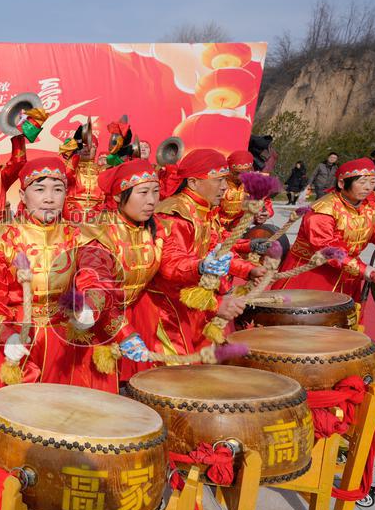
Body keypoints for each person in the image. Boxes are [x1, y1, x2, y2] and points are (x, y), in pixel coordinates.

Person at [0, 156, 116, 424]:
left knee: (65, 420)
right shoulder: (1, 238)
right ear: (23, 194)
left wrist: (91, 306)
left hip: (64, 339)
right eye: (40, 189)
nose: (49, 198)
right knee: (14, 421)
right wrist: (6, 335)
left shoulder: (80, 236)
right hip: (14, 339)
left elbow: (95, 275)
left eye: (57, 189)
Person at [142, 149, 262, 355]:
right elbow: (171, 265)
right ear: (193, 183)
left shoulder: (205, 209)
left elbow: (219, 248)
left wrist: (249, 270)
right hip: (169, 308)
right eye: (218, 180)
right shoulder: (175, 215)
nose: (224, 187)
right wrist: (201, 267)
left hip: (195, 302)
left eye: (225, 180)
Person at [275, 157, 375, 307]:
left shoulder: (368, 204)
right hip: (312, 271)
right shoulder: (323, 210)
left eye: (372, 182)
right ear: (341, 183)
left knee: (343, 319)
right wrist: (361, 268)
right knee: (307, 319)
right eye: (362, 182)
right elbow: (326, 247)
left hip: (348, 270)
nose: (368, 188)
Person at [88, 158, 163, 389]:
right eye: (142, 193)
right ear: (119, 196)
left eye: (156, 191)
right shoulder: (99, 234)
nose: (151, 201)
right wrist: (125, 332)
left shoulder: (156, 228)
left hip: (137, 319)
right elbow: (97, 290)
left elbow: (174, 265)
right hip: (97, 325)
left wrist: (201, 267)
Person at [218, 150, 274, 229]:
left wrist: (264, 213)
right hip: (217, 228)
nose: (239, 177)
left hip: (240, 228)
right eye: (236, 173)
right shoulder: (219, 182)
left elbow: (265, 202)